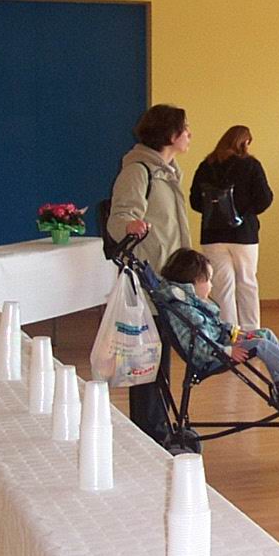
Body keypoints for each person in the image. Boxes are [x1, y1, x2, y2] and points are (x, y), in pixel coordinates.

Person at [106, 103, 193, 444]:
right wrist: (130, 224)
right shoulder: (138, 172)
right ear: (170, 135)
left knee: (159, 362)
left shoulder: (167, 173)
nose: (189, 134)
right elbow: (119, 218)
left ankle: (157, 429)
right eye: (185, 129)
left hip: (169, 282)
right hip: (149, 282)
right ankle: (151, 433)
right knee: (148, 363)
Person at [156, 249, 279, 411]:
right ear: (193, 281)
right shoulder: (186, 310)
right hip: (213, 355)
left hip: (219, 345)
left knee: (265, 334)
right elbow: (199, 348)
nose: (211, 285)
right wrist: (227, 351)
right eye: (208, 280)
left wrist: (234, 334)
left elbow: (213, 327)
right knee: (260, 344)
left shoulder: (189, 302)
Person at [188, 125, 274, 330]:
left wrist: (214, 213)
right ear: (244, 142)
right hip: (244, 235)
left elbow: (195, 201)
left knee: (221, 286)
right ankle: (251, 330)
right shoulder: (251, 165)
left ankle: (228, 331)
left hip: (212, 234)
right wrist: (246, 214)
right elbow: (265, 198)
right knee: (247, 282)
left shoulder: (206, 166)